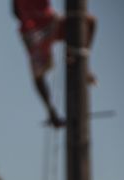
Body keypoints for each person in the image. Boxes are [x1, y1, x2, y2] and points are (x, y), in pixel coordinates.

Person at [13, 0, 96, 128]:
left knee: (88, 22)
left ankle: (79, 62)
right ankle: (79, 63)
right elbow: (16, 12)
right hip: (39, 28)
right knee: (88, 22)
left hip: (39, 27)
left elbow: (15, 12)